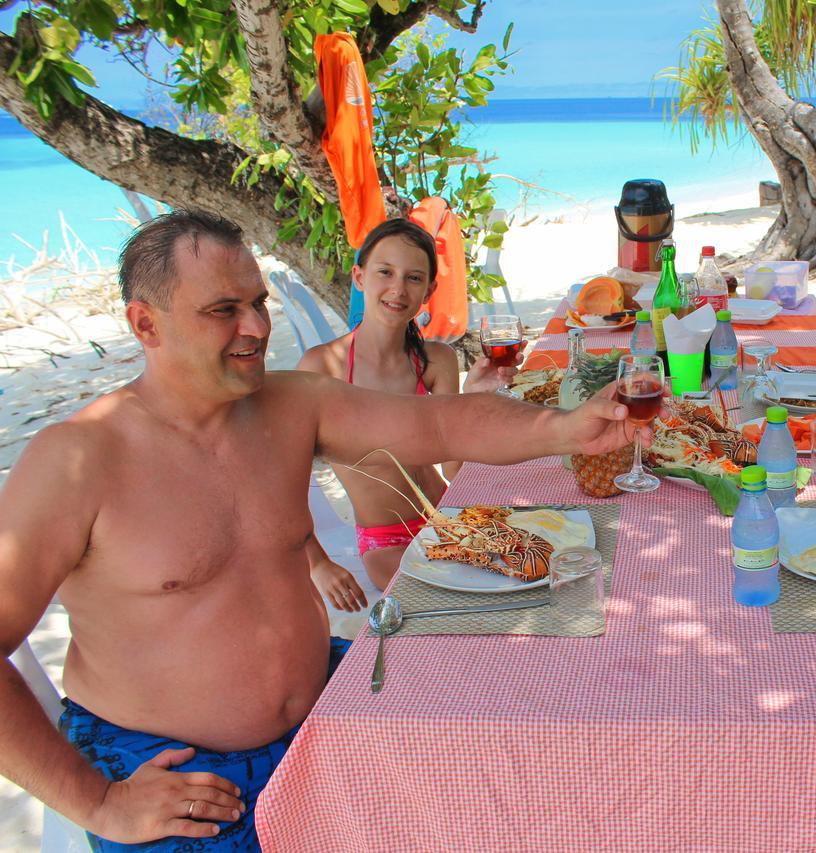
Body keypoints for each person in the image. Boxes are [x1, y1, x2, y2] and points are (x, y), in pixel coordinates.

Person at [0, 210, 640, 850]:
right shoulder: (77, 459)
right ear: (146, 323)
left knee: (514, 740)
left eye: (258, 303)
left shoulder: (291, 403)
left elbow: (442, 426)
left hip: (320, 716)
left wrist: (564, 427)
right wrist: (101, 803)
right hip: (175, 779)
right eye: (224, 310)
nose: (255, 329)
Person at [297, 218, 520, 598]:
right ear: (359, 276)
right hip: (387, 541)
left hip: (448, 517)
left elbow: (454, 466)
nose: (398, 289)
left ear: (429, 290)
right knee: (442, 600)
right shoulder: (323, 368)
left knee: (530, 574)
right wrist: (318, 564)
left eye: (414, 278)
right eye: (385, 272)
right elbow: (286, 480)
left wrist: (474, 399)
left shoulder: (436, 360)